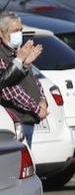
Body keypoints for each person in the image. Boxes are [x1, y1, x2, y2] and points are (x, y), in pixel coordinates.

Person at [0, 14, 45, 144]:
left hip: (29, 118)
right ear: (1, 32)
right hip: (16, 119)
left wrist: (42, 100)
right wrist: (36, 109)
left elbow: (33, 79)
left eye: (20, 30)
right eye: (14, 31)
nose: (18, 34)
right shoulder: (4, 54)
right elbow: (9, 89)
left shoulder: (16, 51)